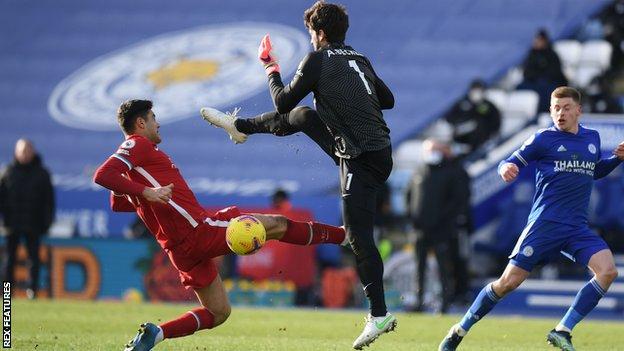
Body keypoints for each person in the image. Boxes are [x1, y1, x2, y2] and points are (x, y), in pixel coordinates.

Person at [199, 2, 396, 348]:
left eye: (310, 33)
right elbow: (388, 100)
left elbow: (281, 103)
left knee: (358, 239)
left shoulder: (317, 60)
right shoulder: (359, 59)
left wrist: (270, 66)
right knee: (304, 117)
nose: (310, 38)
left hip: (360, 158)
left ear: (319, 33)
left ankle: (379, 315)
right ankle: (239, 126)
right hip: (377, 151)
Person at [93, 99, 347, 351]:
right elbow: (102, 175)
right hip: (196, 230)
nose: (158, 124)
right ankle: (345, 236)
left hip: (179, 250)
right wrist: (147, 192)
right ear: (141, 122)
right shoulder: (137, 144)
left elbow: (118, 204)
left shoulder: (132, 164)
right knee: (278, 224)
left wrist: (142, 193)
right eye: (153, 119)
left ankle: (156, 334)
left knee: (218, 312)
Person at [439, 86, 624, 351]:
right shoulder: (543, 139)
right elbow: (510, 160)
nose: (560, 113)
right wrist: (507, 168)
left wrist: (616, 160)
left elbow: (592, 172)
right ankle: (458, 330)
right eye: (555, 108)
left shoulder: (592, 138)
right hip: (544, 225)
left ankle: (562, 330)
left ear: (579, 111)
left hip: (576, 228)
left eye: (566, 108)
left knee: (607, 271)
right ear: (550, 111)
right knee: (508, 283)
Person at [406, 139, 470, 313]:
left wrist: (442, 221)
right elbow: (409, 196)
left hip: (441, 230)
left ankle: (444, 303)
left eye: (436, 149)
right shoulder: (419, 171)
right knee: (419, 267)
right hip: (420, 230)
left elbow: (456, 201)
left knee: (444, 267)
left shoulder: (450, 172)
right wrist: (412, 219)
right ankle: (418, 301)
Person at [0, 139, 55, 299]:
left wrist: (47, 222)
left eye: (27, 150)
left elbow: (48, 201)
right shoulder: (7, 172)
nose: (24, 154)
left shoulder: (42, 173)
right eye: (22, 150)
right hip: (12, 224)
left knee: (34, 259)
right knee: (10, 260)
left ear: (33, 152)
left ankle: (32, 291)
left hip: (34, 224)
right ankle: (7, 292)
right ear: (16, 152)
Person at [443, 79, 501, 158]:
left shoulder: (488, 106)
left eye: (479, 90)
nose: (477, 93)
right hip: (462, 139)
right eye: (475, 90)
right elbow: (449, 118)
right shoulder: (462, 104)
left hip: (481, 140)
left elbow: (495, 122)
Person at [518, 29, 568, 112]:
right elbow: (527, 71)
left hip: (549, 82)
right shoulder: (531, 55)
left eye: (539, 40)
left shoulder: (552, 55)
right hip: (533, 81)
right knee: (521, 88)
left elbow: (555, 72)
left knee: (548, 91)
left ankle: (544, 112)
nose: (536, 42)